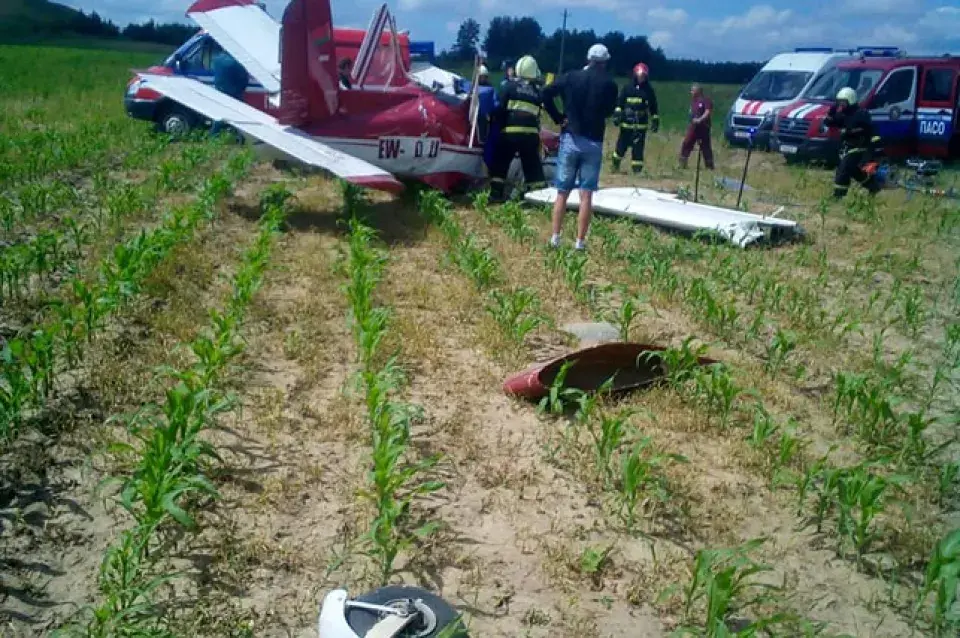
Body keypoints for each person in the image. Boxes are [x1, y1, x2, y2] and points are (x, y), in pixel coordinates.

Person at [541, 43, 619, 251]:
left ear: (588, 59)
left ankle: (555, 238)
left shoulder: (571, 77)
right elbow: (610, 111)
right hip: (593, 141)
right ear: (604, 62)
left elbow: (545, 94)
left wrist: (558, 117)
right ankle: (580, 242)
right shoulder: (609, 84)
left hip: (570, 138)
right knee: (586, 195)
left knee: (562, 192)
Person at [489, 55, 562, 201]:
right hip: (530, 136)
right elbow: (543, 109)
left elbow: (499, 109)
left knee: (500, 165)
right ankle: (538, 198)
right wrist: (559, 119)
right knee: (532, 167)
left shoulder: (508, 86)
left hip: (509, 134)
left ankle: (496, 196)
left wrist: (492, 122)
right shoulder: (537, 92)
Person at [824, 86, 881, 199]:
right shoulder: (843, 114)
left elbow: (865, 128)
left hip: (861, 147)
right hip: (849, 147)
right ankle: (873, 186)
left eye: (843, 102)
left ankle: (838, 196)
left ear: (851, 100)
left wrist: (849, 131)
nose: (841, 105)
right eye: (839, 102)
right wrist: (831, 113)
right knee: (854, 171)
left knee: (843, 169)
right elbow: (829, 123)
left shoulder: (861, 113)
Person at [612, 62, 660, 174]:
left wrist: (655, 120)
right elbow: (620, 103)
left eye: (644, 76)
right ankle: (615, 166)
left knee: (638, 149)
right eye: (640, 76)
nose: (641, 78)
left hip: (640, 126)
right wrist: (617, 115)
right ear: (635, 75)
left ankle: (637, 171)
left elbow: (653, 107)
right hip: (626, 124)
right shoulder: (627, 88)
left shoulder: (649, 90)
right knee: (620, 147)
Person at [210, 45, 249, 138]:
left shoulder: (216, 60)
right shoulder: (236, 62)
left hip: (220, 92)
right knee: (240, 116)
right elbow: (244, 77)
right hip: (235, 93)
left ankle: (213, 136)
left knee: (219, 116)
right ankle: (240, 137)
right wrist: (241, 89)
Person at [678, 83, 714, 170]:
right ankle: (682, 164)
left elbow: (707, 111)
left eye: (692, 90)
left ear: (698, 91)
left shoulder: (705, 100)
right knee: (687, 143)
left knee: (705, 147)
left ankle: (709, 166)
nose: (691, 92)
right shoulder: (693, 102)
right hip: (693, 127)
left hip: (703, 127)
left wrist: (700, 119)